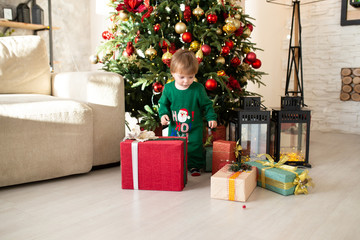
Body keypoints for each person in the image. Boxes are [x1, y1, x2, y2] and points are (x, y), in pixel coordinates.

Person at [158, 49, 217, 176]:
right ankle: (174, 164)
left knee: (195, 146)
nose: (186, 81)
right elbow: (163, 104)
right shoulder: (168, 89)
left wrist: (211, 117)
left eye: (191, 77)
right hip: (175, 127)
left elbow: (207, 105)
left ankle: (194, 166)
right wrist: (163, 114)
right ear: (173, 73)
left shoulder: (198, 89)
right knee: (174, 146)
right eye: (182, 77)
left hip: (194, 127)